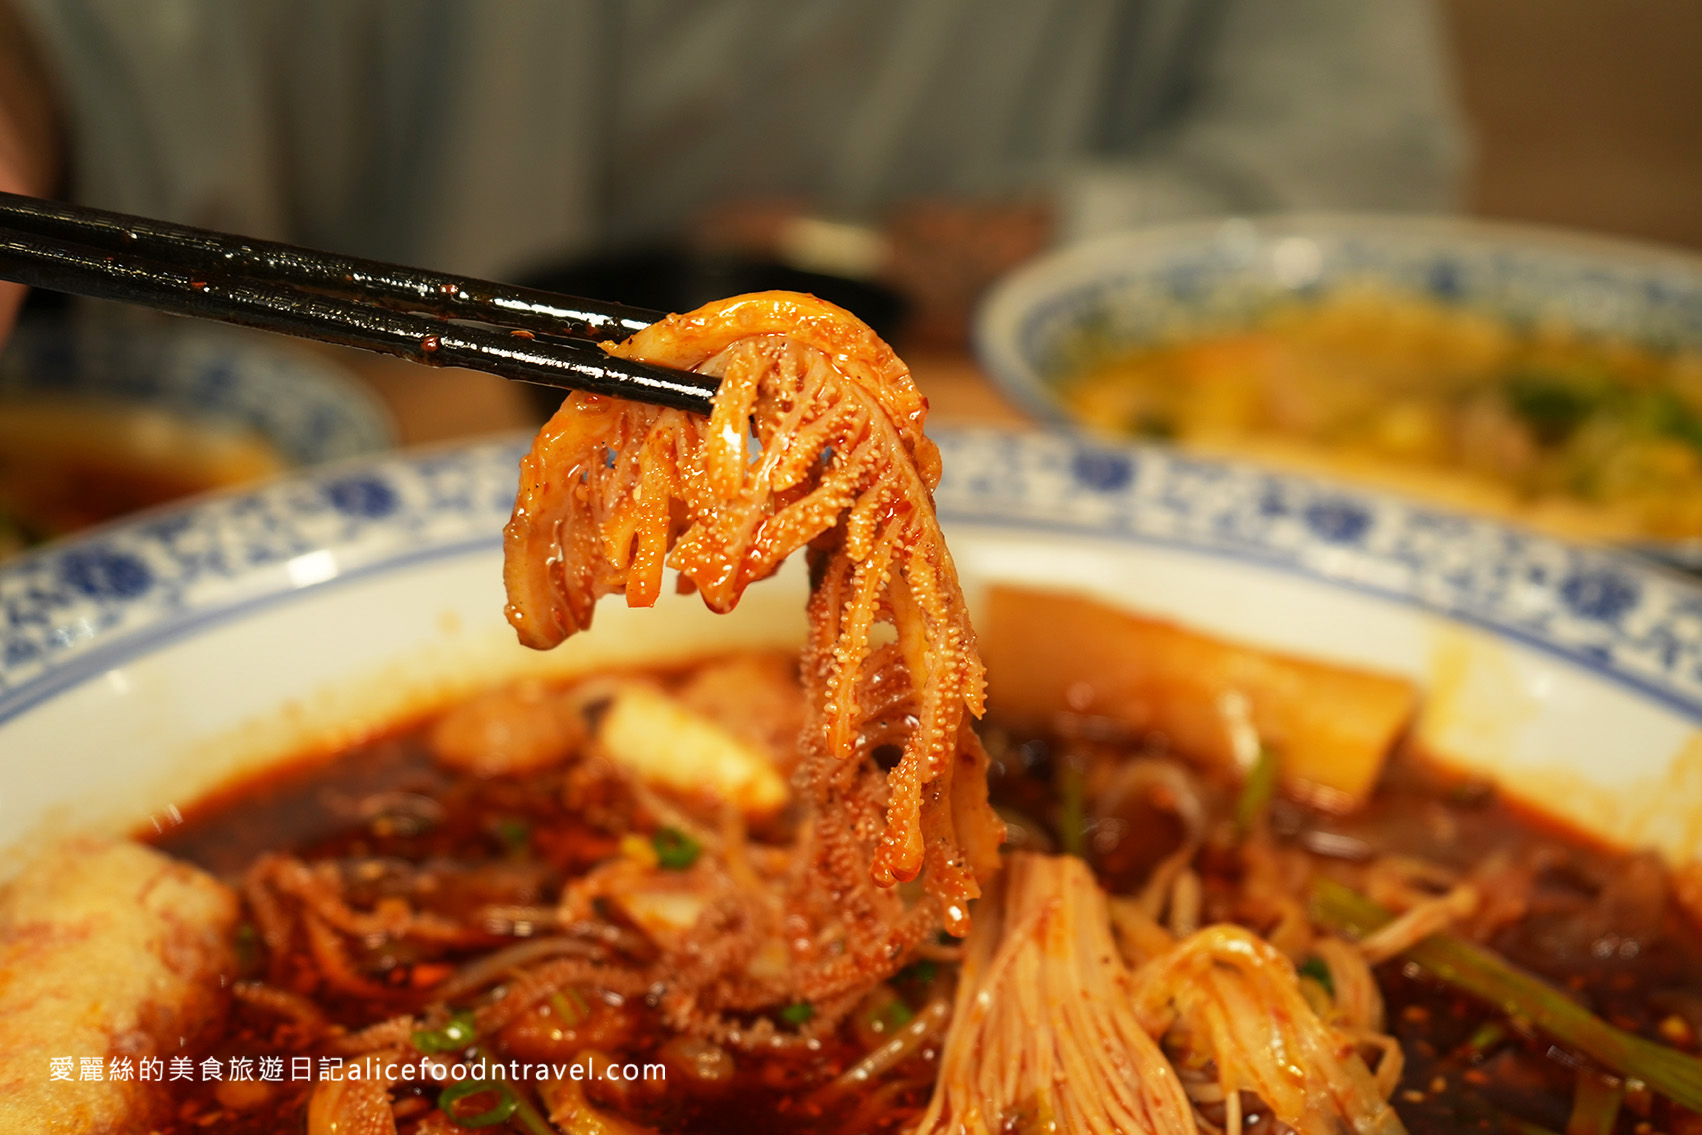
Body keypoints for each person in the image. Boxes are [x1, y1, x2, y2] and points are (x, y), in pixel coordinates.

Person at [0, 0, 1466, 346]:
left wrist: (913, 258)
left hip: (1017, 448)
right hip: (400, 444)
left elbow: (1366, 170)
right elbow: (112, 43)